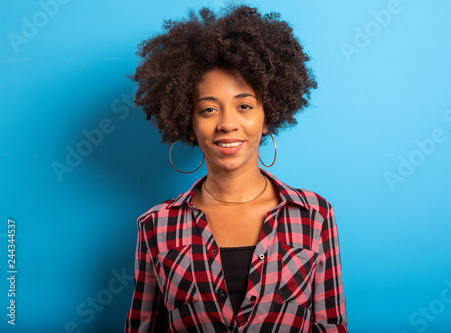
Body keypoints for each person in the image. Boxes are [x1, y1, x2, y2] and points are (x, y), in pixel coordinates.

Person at [124, 4, 347, 332]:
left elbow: (331, 326)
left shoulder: (314, 216)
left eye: (244, 106)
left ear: (267, 116)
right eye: (209, 109)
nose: (227, 124)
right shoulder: (155, 226)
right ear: (188, 123)